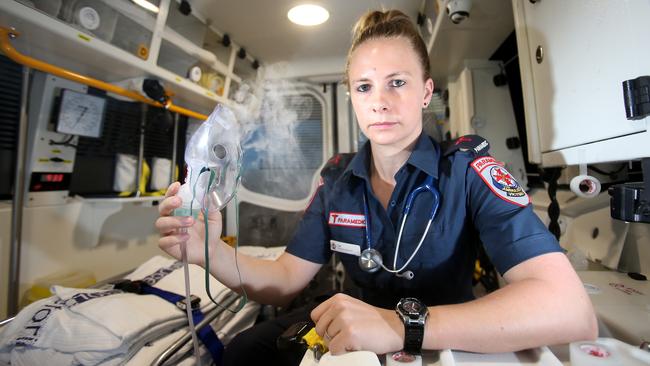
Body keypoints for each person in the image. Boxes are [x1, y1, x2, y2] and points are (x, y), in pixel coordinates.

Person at [155, 9, 597, 365]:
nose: (380, 101)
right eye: (365, 86)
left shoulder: (467, 169)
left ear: (426, 92)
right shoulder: (336, 178)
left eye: (397, 83)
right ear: (352, 96)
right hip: (352, 329)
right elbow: (286, 280)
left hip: (447, 334)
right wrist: (205, 250)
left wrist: (401, 325)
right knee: (243, 354)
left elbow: (569, 310)